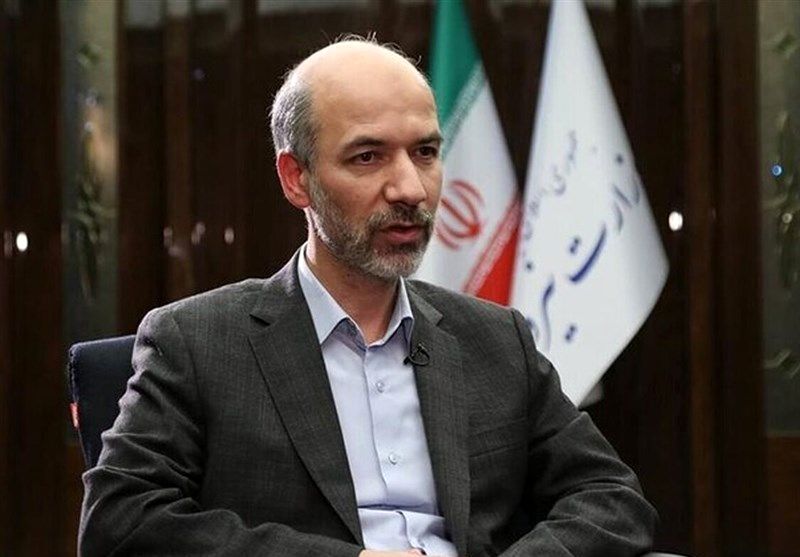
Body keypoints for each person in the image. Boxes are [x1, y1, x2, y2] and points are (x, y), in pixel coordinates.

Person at [79, 37, 657, 556]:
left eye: (425, 152)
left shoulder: (495, 339)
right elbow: (121, 521)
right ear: (296, 178)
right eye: (368, 156)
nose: (410, 188)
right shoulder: (198, 342)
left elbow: (611, 498)